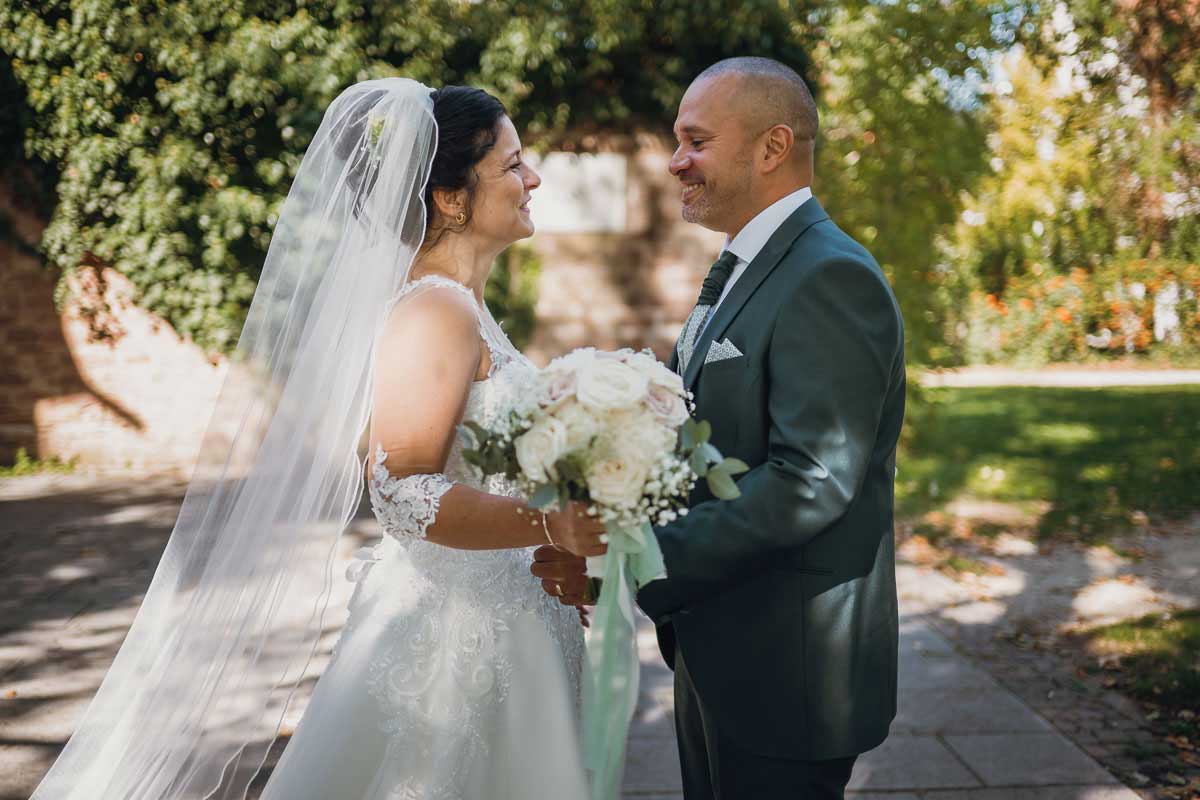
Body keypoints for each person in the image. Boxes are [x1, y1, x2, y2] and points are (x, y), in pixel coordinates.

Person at [31, 79, 601, 800]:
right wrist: (547, 522)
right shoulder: (435, 314)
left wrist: (555, 543)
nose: (533, 177)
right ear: (452, 199)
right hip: (458, 644)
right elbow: (403, 491)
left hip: (513, 620)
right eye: (512, 165)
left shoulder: (468, 310)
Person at [534, 56, 907, 800]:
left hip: (789, 669)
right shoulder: (746, 264)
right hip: (720, 649)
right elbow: (702, 445)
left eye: (695, 141)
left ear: (771, 149)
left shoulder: (828, 274)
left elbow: (811, 480)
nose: (675, 162)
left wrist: (637, 558)